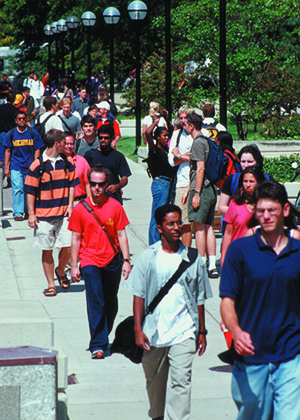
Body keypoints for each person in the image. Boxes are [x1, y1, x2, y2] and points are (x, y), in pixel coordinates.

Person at [220, 180, 300, 419]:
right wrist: (236, 332)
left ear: (285, 210)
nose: (266, 216)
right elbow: (227, 301)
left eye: (272, 210)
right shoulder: (241, 250)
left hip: (292, 353)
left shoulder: (297, 253)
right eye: (260, 211)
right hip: (252, 355)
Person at [124, 204, 212, 420]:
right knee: (155, 385)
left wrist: (201, 331)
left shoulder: (193, 259)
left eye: (178, 223)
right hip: (154, 332)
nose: (176, 227)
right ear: (159, 228)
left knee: (181, 382)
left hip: (184, 331)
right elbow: (138, 295)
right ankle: (157, 417)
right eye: (170, 224)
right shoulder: (148, 257)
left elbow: (199, 297)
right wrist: (138, 329)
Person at [69, 164, 131, 359]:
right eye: (93, 184)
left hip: (112, 259)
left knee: (110, 302)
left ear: (106, 185)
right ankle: (98, 344)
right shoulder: (80, 209)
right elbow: (76, 239)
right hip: (89, 260)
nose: (96, 188)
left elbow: (122, 235)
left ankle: (103, 335)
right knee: (96, 301)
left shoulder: (115, 206)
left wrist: (126, 260)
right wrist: (73, 265)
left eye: (100, 184)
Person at [24, 129, 79, 296]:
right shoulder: (37, 165)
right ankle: (51, 285)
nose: (67, 145)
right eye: (64, 142)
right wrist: (32, 214)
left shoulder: (68, 162)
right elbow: (30, 191)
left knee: (68, 246)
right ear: (57, 144)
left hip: (64, 214)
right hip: (43, 216)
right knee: (46, 249)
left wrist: (70, 206)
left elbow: (72, 185)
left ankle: (60, 271)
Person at [181, 112, 219, 279]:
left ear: (191, 126)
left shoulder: (197, 143)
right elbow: (198, 171)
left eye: (185, 124)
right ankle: (212, 264)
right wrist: (189, 189)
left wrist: (196, 193)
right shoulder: (207, 141)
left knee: (199, 228)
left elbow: (200, 169)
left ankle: (201, 264)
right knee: (209, 226)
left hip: (202, 190)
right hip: (210, 188)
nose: (183, 127)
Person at [220, 166, 265, 267]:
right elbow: (228, 234)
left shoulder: (267, 204)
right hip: (239, 257)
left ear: (260, 182)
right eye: (245, 181)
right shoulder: (235, 204)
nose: (248, 185)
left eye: (251, 181)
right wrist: (223, 258)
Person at [3, 110, 44, 220]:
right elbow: (7, 151)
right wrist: (6, 167)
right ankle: (18, 213)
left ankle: (27, 210)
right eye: (19, 119)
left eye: (23, 118)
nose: (21, 120)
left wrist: (36, 163)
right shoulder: (11, 134)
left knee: (28, 189)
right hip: (16, 165)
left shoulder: (33, 133)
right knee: (17, 188)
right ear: (15, 121)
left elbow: (37, 149)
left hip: (30, 166)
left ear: (27, 120)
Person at [146, 116, 177, 245]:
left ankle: (160, 242)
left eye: (167, 136)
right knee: (157, 216)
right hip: (161, 184)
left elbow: (173, 131)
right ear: (158, 137)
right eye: (164, 135)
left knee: (164, 215)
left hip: (169, 184)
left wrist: (168, 119)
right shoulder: (155, 150)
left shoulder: (167, 151)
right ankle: (153, 245)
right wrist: (156, 122)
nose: (166, 138)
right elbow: (147, 133)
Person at [84, 124, 131, 205]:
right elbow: (84, 177)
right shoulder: (90, 155)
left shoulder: (118, 156)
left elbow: (124, 179)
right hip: (94, 199)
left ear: (112, 138)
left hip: (113, 199)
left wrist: (117, 186)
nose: (103, 140)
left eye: (106, 138)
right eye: (100, 138)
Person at [218, 144, 270, 217]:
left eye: (250, 162)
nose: (246, 165)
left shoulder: (267, 179)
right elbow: (221, 209)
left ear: (257, 163)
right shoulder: (231, 180)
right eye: (243, 161)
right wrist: (243, 212)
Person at [168, 106, 194, 247]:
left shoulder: (198, 134)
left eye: (186, 118)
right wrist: (183, 157)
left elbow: (199, 159)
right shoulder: (176, 135)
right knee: (183, 223)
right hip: (182, 182)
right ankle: (185, 254)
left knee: (199, 224)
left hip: (197, 182)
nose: (183, 121)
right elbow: (171, 161)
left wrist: (179, 155)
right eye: (181, 118)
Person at [64, 132, 91, 201]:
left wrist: (89, 202)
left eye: (71, 144)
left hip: (79, 201)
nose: (69, 146)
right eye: (66, 144)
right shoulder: (56, 161)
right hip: (63, 202)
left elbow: (88, 184)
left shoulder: (82, 161)